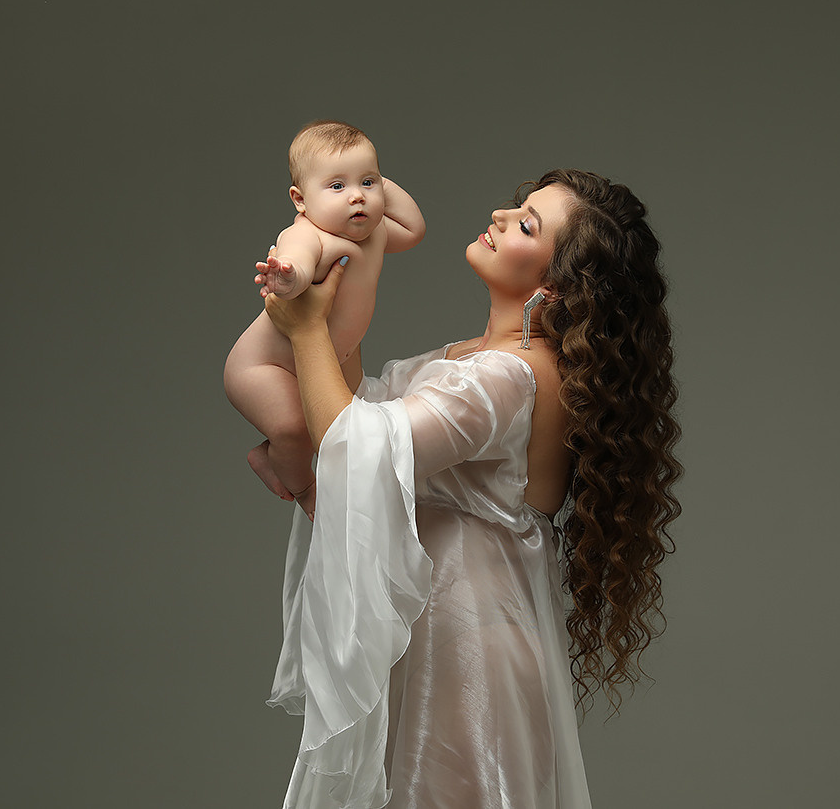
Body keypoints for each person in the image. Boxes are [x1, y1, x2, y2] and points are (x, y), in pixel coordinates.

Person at [260, 169, 683, 808]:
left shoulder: (508, 378)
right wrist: (341, 288)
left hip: (467, 658)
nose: (500, 213)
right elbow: (348, 416)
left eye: (527, 224)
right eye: (517, 207)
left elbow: (356, 445)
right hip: (432, 640)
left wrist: (306, 329)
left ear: (560, 286)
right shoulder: (468, 361)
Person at [224, 120, 426, 520]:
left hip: (322, 361)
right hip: (263, 367)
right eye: (337, 187)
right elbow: (297, 264)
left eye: (368, 183)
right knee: (295, 429)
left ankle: (269, 455)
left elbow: (415, 229)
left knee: (332, 430)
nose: (357, 198)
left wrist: (367, 175)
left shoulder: (379, 231)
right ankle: (303, 487)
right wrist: (287, 277)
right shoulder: (309, 234)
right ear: (300, 200)